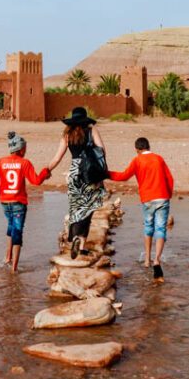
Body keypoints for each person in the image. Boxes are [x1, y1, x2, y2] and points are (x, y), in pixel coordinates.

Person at [107, 136, 174, 282]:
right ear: (149, 146)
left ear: (137, 149)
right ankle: (157, 260)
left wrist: (107, 173)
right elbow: (170, 178)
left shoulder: (137, 160)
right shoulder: (159, 159)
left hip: (147, 199)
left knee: (148, 227)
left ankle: (147, 260)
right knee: (161, 229)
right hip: (162, 197)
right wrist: (168, 195)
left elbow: (124, 176)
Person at [46, 107, 108, 259]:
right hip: (89, 172)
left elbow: (57, 157)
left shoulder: (67, 134)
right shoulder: (91, 131)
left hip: (74, 172)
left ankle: (74, 238)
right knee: (88, 208)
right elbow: (102, 150)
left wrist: (47, 170)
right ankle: (81, 246)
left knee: (75, 207)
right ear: (85, 119)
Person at [0, 131, 50, 272]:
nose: (26, 150)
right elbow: (35, 181)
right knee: (17, 232)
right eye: (25, 148)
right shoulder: (25, 163)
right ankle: (14, 269)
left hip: (5, 202)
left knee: (10, 226)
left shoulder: (1, 162)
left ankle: (7, 257)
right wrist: (45, 173)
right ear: (21, 149)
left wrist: (1, 194)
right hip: (18, 203)